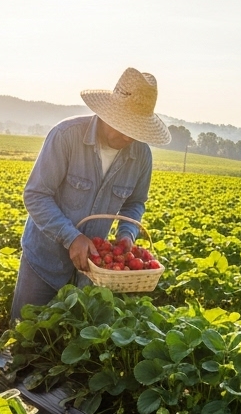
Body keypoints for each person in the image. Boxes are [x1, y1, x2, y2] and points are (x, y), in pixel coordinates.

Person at [11, 68, 169, 320]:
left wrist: (126, 235)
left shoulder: (141, 155)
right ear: (106, 113)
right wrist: (71, 237)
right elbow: (36, 194)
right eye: (123, 125)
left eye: (136, 129)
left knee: (69, 341)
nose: (128, 135)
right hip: (44, 261)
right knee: (26, 335)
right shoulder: (66, 136)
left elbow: (135, 202)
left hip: (92, 270)